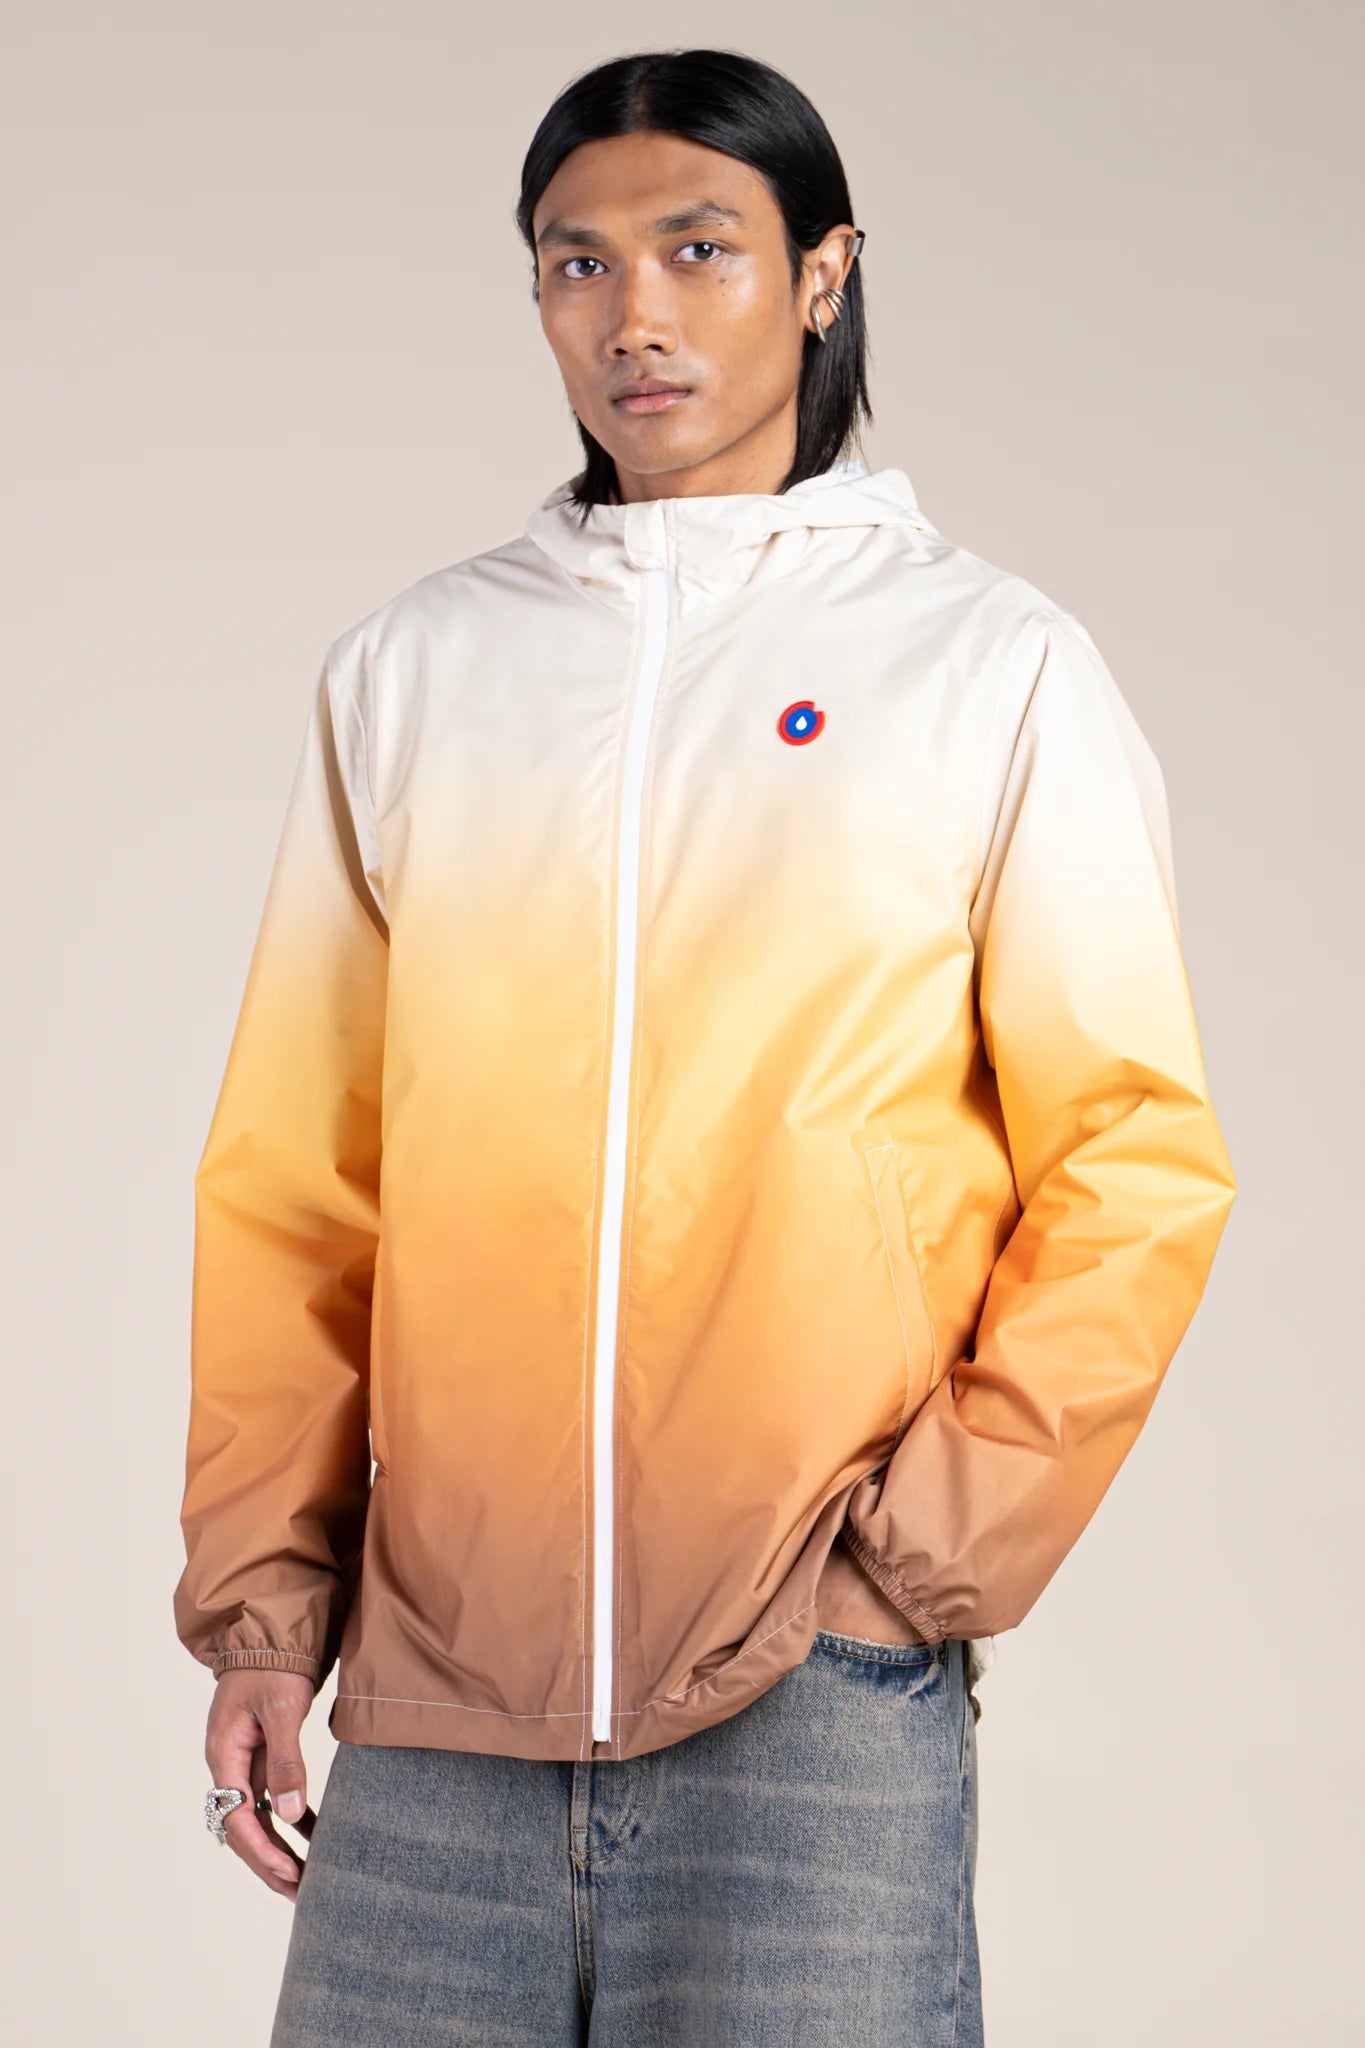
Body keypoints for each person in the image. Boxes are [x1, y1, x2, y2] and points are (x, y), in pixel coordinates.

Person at [174, 46, 1238, 2047]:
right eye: (575, 264)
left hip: (805, 1697)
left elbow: (1132, 1156)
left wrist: (911, 1568)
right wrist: (264, 1613)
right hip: (434, 1701)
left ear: (821, 274)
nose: (632, 316)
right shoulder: (417, 672)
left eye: (696, 250)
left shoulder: (984, 665)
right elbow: (299, 1188)